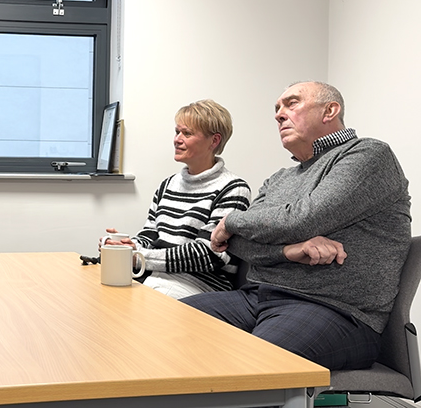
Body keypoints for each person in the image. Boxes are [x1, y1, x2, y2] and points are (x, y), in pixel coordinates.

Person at [182, 81, 411, 371]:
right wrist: (290, 251)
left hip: (336, 311)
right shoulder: (280, 178)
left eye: (291, 103)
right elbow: (237, 245)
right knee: (171, 327)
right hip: (258, 296)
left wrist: (231, 221)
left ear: (330, 110)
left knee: (250, 367)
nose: (279, 115)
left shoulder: (368, 155)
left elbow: (303, 218)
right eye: (277, 109)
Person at [101, 99, 251, 299]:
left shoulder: (234, 189)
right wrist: (123, 247)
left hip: (198, 286)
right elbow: (150, 235)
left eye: (187, 133)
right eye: (177, 132)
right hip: (153, 277)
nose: (177, 139)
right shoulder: (168, 184)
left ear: (214, 141)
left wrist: (138, 255)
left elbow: (208, 254)